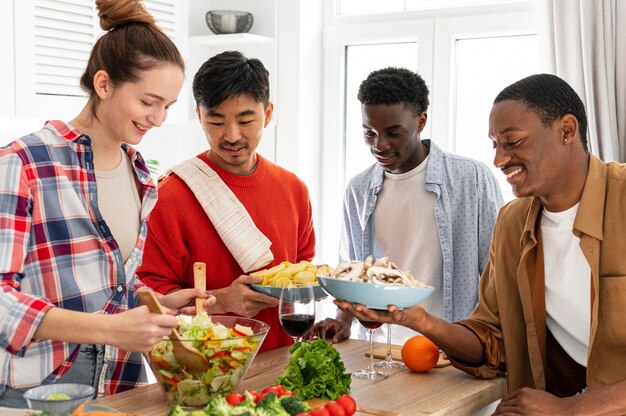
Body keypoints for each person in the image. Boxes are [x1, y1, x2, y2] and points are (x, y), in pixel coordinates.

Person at [336, 73, 626, 414]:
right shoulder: (513, 222)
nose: (499, 160)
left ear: (566, 130)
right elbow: (490, 339)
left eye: (513, 142)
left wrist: (573, 409)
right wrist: (419, 321)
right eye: (494, 144)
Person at [0, 0, 217, 408]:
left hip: (121, 382)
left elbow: (110, 281)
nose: (158, 119)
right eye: (149, 102)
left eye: (167, 107)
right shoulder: (22, 163)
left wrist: (151, 301)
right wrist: (108, 330)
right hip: (37, 389)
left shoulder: (140, 175)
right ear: (103, 85)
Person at [136, 51, 316, 352]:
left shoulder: (294, 190)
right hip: (204, 367)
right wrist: (223, 300)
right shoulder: (170, 196)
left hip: (282, 362)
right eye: (216, 122)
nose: (232, 136)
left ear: (268, 114)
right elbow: (151, 297)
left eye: (246, 120)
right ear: (199, 115)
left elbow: (305, 273)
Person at [311, 67, 503, 344]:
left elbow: (497, 273)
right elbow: (351, 272)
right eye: (369, 133)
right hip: (378, 347)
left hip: (452, 350)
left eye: (393, 132)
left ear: (421, 121)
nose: (380, 145)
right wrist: (342, 321)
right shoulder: (359, 189)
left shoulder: (470, 178)